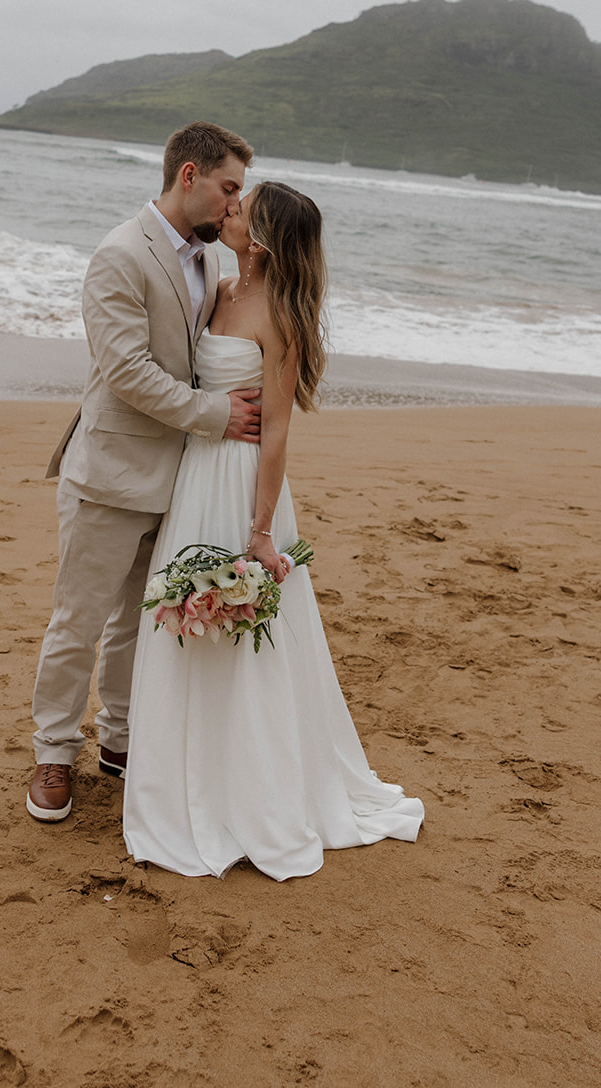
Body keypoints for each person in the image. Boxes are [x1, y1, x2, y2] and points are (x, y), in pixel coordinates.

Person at [123, 181, 424, 879]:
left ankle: (245, 794)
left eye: (239, 210)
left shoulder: (278, 314)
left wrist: (260, 532)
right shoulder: (219, 289)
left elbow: (279, 430)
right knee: (182, 623)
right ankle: (177, 778)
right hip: (195, 474)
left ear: (260, 239)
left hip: (242, 483)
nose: (226, 212)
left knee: (241, 639)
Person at [27, 121, 260, 822]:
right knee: (79, 621)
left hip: (179, 479)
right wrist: (213, 416)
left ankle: (121, 741)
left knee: (139, 621)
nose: (233, 205)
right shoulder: (119, 255)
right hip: (110, 471)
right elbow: (127, 371)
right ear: (188, 176)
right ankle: (53, 753)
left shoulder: (210, 264)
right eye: (228, 188)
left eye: (239, 193)